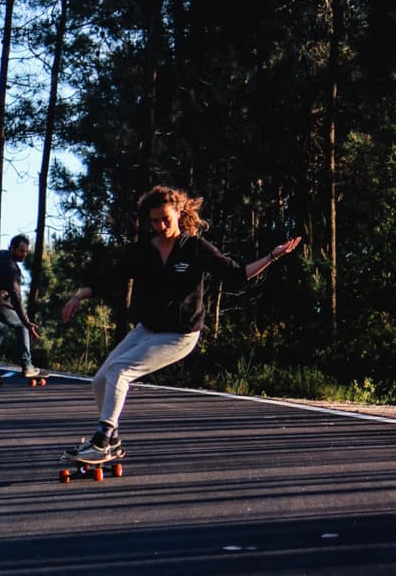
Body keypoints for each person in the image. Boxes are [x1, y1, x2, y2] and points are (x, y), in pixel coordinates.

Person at [60, 185, 302, 461]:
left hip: (180, 335)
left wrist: (272, 256)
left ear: (179, 213)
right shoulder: (143, 251)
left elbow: (236, 275)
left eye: (166, 219)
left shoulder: (195, 248)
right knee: (101, 380)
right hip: (147, 330)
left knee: (119, 370)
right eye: (154, 221)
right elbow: (112, 277)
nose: (161, 225)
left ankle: (102, 440)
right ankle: (113, 442)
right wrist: (80, 295)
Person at [0, 233, 41, 378]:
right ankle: (27, 366)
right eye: (21, 251)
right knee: (22, 326)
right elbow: (16, 297)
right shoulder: (10, 268)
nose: (24, 255)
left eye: (26, 252)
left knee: (0, 327)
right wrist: (26, 321)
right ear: (12, 248)